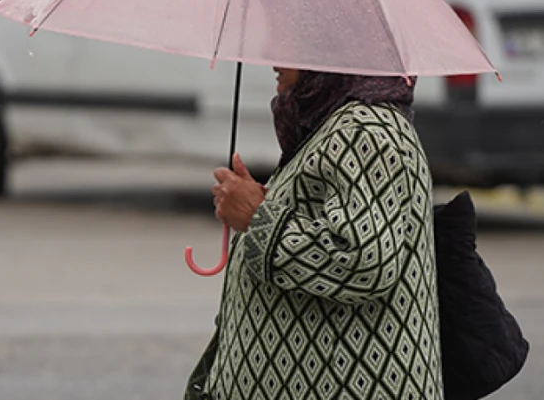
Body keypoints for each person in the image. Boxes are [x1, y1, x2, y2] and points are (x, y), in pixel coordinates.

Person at [184, 67, 443, 400]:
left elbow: (365, 262)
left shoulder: (366, 130)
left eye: (293, 41)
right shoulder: (329, 125)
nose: (274, 58)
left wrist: (258, 217)